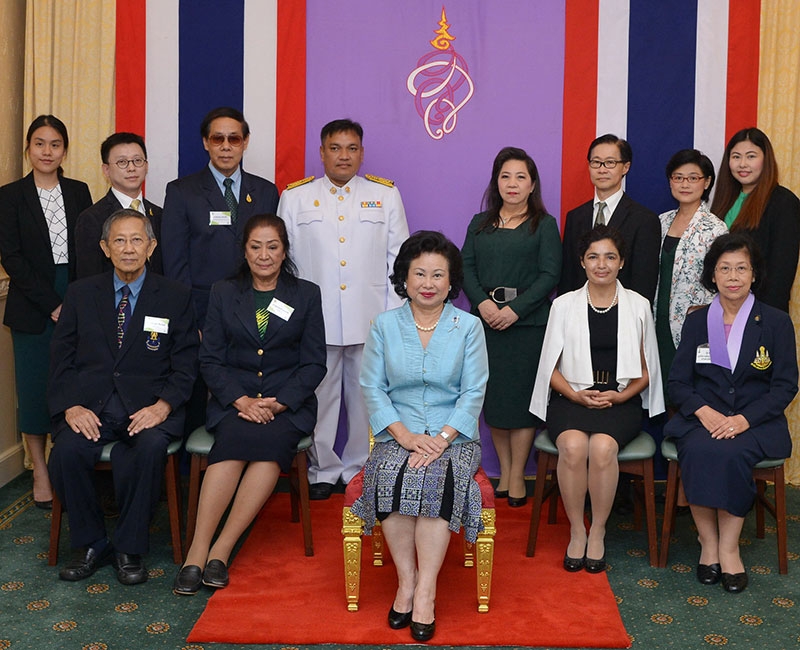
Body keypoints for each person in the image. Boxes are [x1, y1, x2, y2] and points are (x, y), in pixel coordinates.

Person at [173, 214, 326, 595]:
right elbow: (209, 359)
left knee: (269, 447)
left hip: (286, 404)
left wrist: (279, 403)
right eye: (256, 246)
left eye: (272, 246)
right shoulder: (224, 291)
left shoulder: (306, 294)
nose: (264, 255)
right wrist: (240, 400)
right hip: (234, 400)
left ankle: (221, 551)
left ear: (284, 250)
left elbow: (313, 363)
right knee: (233, 444)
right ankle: (196, 552)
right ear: (244, 250)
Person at [48, 209, 199, 585]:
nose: (128, 249)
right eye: (119, 240)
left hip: (148, 408)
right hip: (91, 407)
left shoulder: (176, 296)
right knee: (66, 452)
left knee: (147, 451)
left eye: (136, 240)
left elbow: (186, 365)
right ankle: (91, 544)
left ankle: (130, 548)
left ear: (151, 246)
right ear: (105, 247)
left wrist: (163, 406)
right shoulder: (81, 294)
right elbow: (60, 360)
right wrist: (71, 406)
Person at [352, 231, 488, 642]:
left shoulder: (469, 327)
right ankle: (406, 583)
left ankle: (427, 590)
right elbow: (372, 387)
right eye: (420, 274)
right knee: (392, 475)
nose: (428, 283)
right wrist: (406, 435)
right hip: (397, 433)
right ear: (405, 279)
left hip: (456, 438)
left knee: (435, 478)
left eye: (438, 275)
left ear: (451, 282)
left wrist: (443, 438)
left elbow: (474, 390)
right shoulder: (383, 325)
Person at [278, 118, 409, 500]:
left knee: (368, 398)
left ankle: (358, 469)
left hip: (370, 319)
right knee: (317, 397)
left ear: (362, 153)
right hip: (313, 322)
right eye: (335, 148)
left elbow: (397, 262)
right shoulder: (295, 197)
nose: (343, 156)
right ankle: (322, 470)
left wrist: (392, 319)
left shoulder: (384, 196)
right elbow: (286, 265)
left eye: (352, 148)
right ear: (321, 153)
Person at [664, 233, 797, 594]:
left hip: (754, 421)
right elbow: (677, 383)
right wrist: (703, 412)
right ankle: (708, 543)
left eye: (741, 268)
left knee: (732, 452)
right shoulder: (697, 322)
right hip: (702, 417)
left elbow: (785, 386)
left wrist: (744, 420)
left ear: (754, 274)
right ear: (713, 275)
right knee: (701, 449)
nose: (733, 276)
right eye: (725, 268)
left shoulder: (775, 322)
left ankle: (729, 547)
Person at [530, 225, 664, 573]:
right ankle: (577, 530)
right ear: (582, 262)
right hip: (571, 398)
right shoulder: (563, 305)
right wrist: (576, 394)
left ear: (621, 262)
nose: (601, 264)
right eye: (593, 257)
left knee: (603, 448)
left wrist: (619, 398)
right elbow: (550, 369)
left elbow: (648, 371)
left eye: (609, 257)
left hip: (621, 402)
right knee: (573, 447)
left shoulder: (638, 305)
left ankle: (599, 530)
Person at [0, 115, 92, 509]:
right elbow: (12, 258)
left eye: (55, 144)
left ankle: (65, 461)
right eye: (40, 144)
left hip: (77, 295)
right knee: (36, 387)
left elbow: (89, 249)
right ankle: (39, 467)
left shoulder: (79, 190)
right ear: (28, 149)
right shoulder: (9, 195)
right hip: (33, 304)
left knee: (76, 381)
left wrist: (74, 302)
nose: (47, 151)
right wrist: (53, 304)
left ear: (65, 150)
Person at [461, 146, 561, 506]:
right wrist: (485, 305)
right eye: (506, 176)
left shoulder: (544, 225)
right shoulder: (479, 223)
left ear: (533, 184)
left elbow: (551, 274)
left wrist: (514, 310)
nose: (513, 184)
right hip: (485, 323)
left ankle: (518, 475)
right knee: (496, 403)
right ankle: (504, 470)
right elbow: (466, 269)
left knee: (521, 404)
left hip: (528, 325)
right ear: (496, 182)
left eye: (521, 177)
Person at [161, 106, 280, 327]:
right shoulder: (181, 192)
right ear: (206, 142)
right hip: (202, 310)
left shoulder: (266, 191)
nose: (226, 147)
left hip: (257, 307)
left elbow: (276, 253)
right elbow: (175, 261)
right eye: (218, 139)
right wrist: (188, 318)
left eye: (234, 139)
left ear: (245, 142)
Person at [655, 149, 727, 401]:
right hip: (658, 321)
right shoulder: (660, 222)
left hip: (697, 324)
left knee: (691, 393)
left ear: (706, 182)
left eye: (693, 178)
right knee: (662, 392)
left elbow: (723, 281)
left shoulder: (716, 228)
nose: (685, 184)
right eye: (678, 177)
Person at [559, 134, 661, 304]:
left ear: (625, 167)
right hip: (578, 315)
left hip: (623, 315)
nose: (602, 169)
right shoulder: (575, 217)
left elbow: (644, 283)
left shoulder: (644, 220)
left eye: (610, 163)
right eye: (596, 162)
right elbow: (568, 276)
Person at [709, 127, 800, 313]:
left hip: (760, 311)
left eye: (751, 156)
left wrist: (761, 316)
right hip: (721, 308)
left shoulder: (783, 202)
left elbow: (782, 271)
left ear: (766, 160)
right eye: (736, 157)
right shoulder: (723, 201)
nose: (743, 164)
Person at [75, 132, 163, 278]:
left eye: (137, 160)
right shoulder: (91, 218)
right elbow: (89, 278)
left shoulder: (160, 215)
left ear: (146, 166)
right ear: (106, 170)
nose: (131, 168)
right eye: (122, 162)